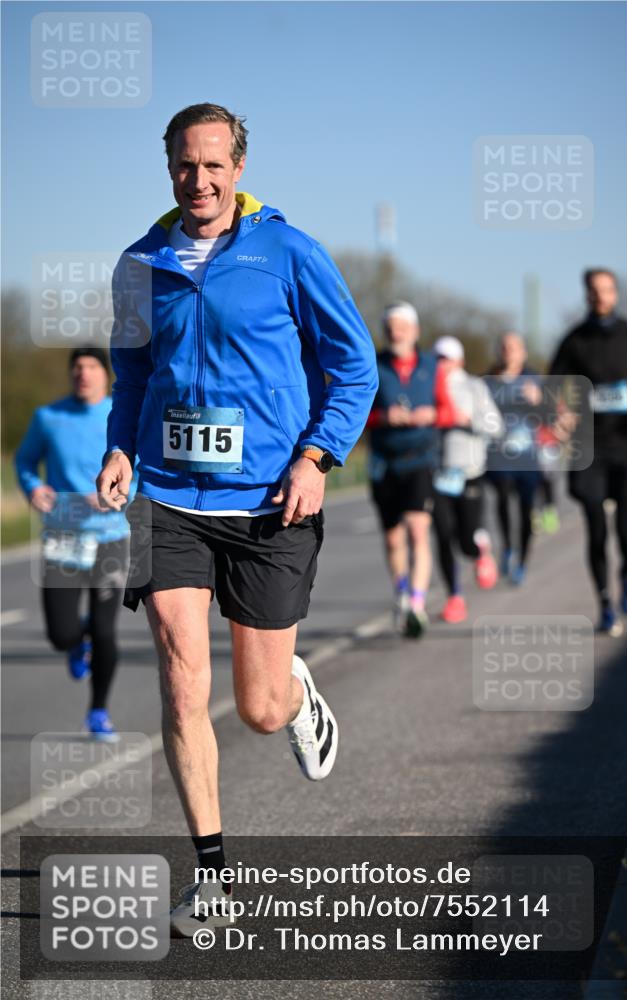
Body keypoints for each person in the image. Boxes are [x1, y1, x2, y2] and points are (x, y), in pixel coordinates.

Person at [95, 103, 378, 936]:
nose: (200, 179)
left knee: (255, 706)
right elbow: (131, 376)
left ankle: (295, 698)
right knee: (183, 683)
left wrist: (316, 457)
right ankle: (213, 876)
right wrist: (120, 451)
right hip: (167, 498)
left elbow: (351, 364)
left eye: (214, 164)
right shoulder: (140, 263)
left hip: (268, 500)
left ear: (239, 167)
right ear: (169, 167)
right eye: (186, 164)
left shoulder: (288, 252)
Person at [15, 347, 131, 741]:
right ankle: (73, 639)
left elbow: (145, 473)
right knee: (61, 635)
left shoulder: (122, 416)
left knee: (105, 631)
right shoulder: (49, 417)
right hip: (64, 538)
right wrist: (34, 488)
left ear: (105, 374)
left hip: (111, 539)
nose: (83, 374)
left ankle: (98, 711)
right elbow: (25, 462)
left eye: (92, 367)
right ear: (71, 375)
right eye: (77, 368)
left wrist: (114, 497)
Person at [549, 268, 627, 635]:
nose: (601, 297)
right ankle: (604, 604)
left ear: (615, 293)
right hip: (590, 447)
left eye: (607, 290)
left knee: (626, 531)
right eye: (594, 291)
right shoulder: (574, 340)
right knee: (596, 530)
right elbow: (552, 383)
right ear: (587, 295)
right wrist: (560, 412)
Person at [366, 302, 437, 638]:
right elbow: (356, 411)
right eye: (391, 327)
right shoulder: (372, 365)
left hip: (420, 459)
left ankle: (418, 604)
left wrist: (432, 414)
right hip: (384, 462)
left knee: (418, 530)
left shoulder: (433, 366)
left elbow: (451, 408)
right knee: (394, 539)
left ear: (415, 331)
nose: (397, 333)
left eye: (403, 327)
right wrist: (382, 418)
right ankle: (402, 591)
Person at [431, 336, 503, 623]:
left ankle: (480, 550)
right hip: (437, 474)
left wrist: (466, 419)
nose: (441, 364)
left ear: (459, 360)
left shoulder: (473, 386)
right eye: (437, 358)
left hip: (469, 472)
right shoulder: (427, 387)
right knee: (442, 535)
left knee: (465, 539)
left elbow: (496, 426)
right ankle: (454, 597)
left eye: (446, 358)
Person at [484, 332, 544, 586]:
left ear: (523, 352)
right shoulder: (488, 381)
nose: (509, 351)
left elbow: (550, 414)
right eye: (505, 346)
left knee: (526, 510)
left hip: (528, 457)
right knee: (503, 496)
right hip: (498, 455)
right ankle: (508, 547)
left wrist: (539, 400)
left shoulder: (534, 379)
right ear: (499, 351)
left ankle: (522, 561)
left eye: (514, 347)